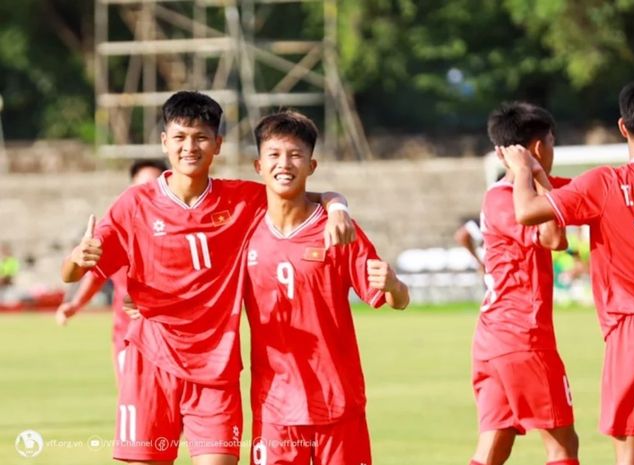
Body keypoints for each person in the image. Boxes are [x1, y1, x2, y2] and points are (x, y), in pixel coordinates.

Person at [61, 91, 354, 465]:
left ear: (217, 144)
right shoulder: (134, 204)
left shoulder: (242, 199)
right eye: (180, 137)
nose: (190, 147)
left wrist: (338, 206)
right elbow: (70, 273)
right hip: (151, 364)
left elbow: (298, 193)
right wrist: (76, 258)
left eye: (200, 137)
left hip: (216, 373)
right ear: (165, 142)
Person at [500, 80, 634, 465]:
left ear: (623, 127)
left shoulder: (604, 183)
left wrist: (522, 169)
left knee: (632, 455)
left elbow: (526, 212)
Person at [242, 110, 409, 465]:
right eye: (274, 154)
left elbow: (398, 301)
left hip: (338, 402)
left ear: (311, 165)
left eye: (295, 155)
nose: (284, 164)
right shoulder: (244, 231)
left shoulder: (338, 230)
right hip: (274, 409)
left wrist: (393, 284)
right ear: (258, 165)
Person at [470, 102, 579, 465]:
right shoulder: (504, 200)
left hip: (493, 340)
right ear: (537, 149)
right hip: (523, 338)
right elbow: (553, 239)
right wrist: (530, 174)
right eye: (551, 142)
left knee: (494, 447)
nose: (553, 149)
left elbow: (590, 191)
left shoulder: (516, 193)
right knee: (562, 446)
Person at [55, 159, 168, 377]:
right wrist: (76, 304)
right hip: (129, 336)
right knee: (136, 408)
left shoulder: (181, 230)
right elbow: (95, 274)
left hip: (172, 339)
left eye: (153, 185)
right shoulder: (122, 229)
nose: (147, 192)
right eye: (140, 186)